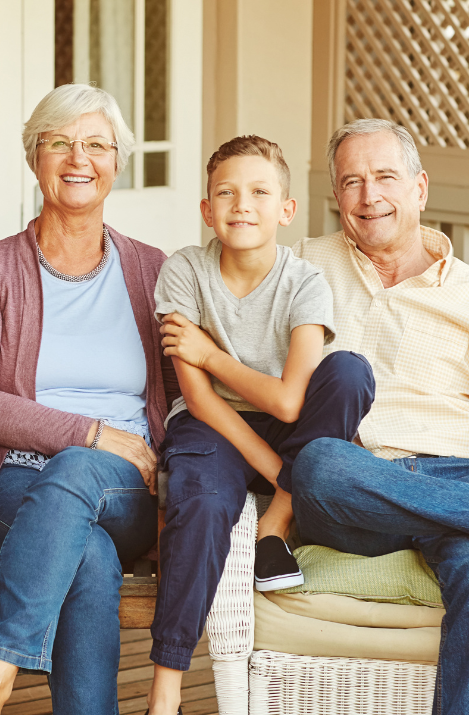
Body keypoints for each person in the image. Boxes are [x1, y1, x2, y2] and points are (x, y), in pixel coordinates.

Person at [0, 83, 178, 715]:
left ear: (117, 163)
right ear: (34, 157)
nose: (79, 159)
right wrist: (94, 434)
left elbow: (189, 389)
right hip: (8, 485)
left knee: (78, 477)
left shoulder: (156, 272)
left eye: (96, 145)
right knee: (89, 554)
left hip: (123, 486)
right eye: (60, 144)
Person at [144, 136, 375, 715]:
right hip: (209, 426)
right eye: (225, 192)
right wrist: (283, 474)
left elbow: (291, 403)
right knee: (197, 498)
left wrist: (213, 354)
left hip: (285, 426)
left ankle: (275, 523)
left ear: (286, 210)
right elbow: (198, 399)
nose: (241, 204)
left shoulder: (304, 283)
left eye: (259, 192)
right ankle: (165, 686)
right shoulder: (185, 272)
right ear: (205, 209)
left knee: (348, 372)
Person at [289, 118, 469, 715]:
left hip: (455, 472)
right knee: (317, 464)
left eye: (385, 177)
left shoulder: (465, 292)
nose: (370, 197)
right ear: (335, 196)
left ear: (419, 188)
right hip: (357, 485)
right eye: (352, 182)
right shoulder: (304, 265)